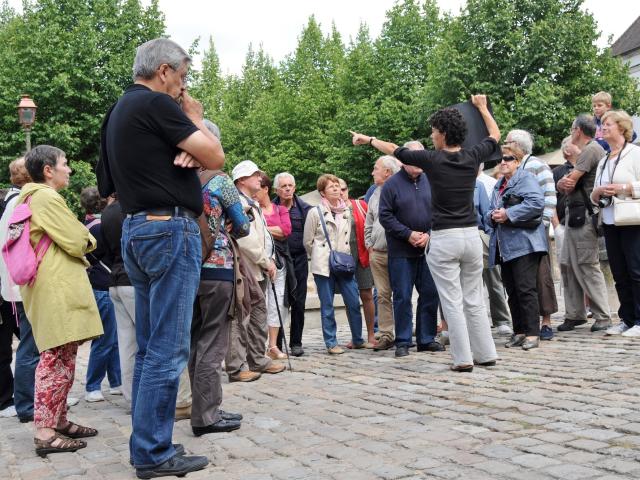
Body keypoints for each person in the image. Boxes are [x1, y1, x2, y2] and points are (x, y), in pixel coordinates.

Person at [98, 38, 225, 477]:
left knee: (152, 348)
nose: (183, 88)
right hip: (170, 229)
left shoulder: (116, 113)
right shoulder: (158, 104)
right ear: (165, 71)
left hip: (137, 230)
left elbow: (106, 182)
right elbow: (217, 156)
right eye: (183, 78)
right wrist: (194, 121)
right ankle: (153, 452)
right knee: (167, 350)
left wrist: (178, 152)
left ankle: (148, 447)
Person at [352, 95, 500, 371]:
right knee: (474, 297)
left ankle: (463, 357)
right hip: (470, 235)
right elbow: (494, 134)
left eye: (433, 132)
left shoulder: (432, 160)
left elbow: (395, 150)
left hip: (444, 237)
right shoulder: (472, 156)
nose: (431, 136)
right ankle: (486, 353)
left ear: (443, 134)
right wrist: (481, 108)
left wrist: (368, 139)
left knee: (452, 300)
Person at [18, 145, 104, 456]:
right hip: (54, 287)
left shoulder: (33, 197)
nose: (69, 169)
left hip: (52, 285)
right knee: (55, 359)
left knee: (63, 357)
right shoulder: (45, 197)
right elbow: (78, 239)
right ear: (48, 170)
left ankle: (58, 420)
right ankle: (45, 431)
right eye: (64, 164)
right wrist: (88, 238)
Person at [190, 122, 249, 436]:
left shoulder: (179, 176)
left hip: (188, 269)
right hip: (217, 267)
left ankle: (201, 408)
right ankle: (206, 416)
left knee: (194, 341)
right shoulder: (220, 182)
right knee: (213, 341)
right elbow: (242, 226)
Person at [376, 141, 443, 358]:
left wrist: (429, 234)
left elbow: (442, 210)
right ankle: (403, 340)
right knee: (402, 296)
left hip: (428, 248)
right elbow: (385, 216)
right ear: (405, 160)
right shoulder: (391, 185)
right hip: (401, 250)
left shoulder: (432, 180)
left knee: (430, 293)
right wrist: (408, 234)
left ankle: (426, 338)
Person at [226, 160, 286, 380]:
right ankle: (237, 366)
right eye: (254, 175)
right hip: (245, 268)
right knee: (240, 317)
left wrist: (268, 257)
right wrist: (264, 260)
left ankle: (257, 359)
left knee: (258, 313)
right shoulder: (238, 204)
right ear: (242, 180)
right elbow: (246, 239)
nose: (259, 178)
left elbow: (263, 236)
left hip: (256, 267)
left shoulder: (251, 203)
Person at [488, 146, 548, 351]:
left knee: (525, 289)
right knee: (512, 290)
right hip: (504, 246)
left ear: (518, 161)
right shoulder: (498, 184)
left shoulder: (525, 178)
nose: (503, 162)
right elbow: (490, 210)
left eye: (508, 158)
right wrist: (492, 216)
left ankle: (533, 333)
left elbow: (536, 202)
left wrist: (507, 214)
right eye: (501, 159)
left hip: (525, 243)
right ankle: (520, 331)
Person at [555, 115, 611, 333]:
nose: (571, 132)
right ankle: (575, 314)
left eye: (571, 129)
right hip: (574, 215)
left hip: (585, 216)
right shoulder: (588, 151)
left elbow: (569, 183)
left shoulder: (590, 149)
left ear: (578, 130)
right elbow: (564, 184)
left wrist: (565, 182)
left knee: (587, 265)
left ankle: (602, 315)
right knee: (568, 265)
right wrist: (564, 182)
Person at [504, 129, 558, 341]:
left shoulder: (536, 165)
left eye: (507, 142)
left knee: (541, 276)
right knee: (522, 281)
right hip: (519, 231)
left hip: (535, 229)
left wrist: (542, 226)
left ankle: (545, 322)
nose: (505, 146)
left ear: (517, 144)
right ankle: (526, 325)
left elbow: (549, 196)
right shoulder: (513, 166)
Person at [590, 110, 640, 337]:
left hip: (632, 220)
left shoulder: (634, 154)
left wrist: (624, 188)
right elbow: (593, 194)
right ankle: (627, 319)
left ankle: (639, 320)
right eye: (603, 125)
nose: (603, 128)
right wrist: (598, 192)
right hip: (609, 220)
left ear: (621, 127)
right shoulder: (603, 160)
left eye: (608, 124)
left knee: (636, 271)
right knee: (619, 273)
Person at [303, 174, 364, 354]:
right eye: (331, 187)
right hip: (323, 264)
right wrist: (319, 254)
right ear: (323, 192)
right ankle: (331, 342)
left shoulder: (347, 211)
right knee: (327, 304)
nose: (336, 189)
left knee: (353, 301)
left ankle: (357, 338)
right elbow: (308, 241)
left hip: (344, 262)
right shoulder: (315, 212)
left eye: (337, 185)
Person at [0, 157, 40, 423]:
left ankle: (33, 399)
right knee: (31, 345)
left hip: (16, 284)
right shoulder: (20, 202)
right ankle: (27, 403)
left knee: (30, 344)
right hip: (23, 284)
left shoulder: (12, 202)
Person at [80, 187, 122, 403]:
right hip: (104, 285)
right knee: (105, 339)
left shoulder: (87, 224)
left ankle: (116, 381)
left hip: (98, 284)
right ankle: (93, 385)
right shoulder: (101, 226)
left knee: (112, 338)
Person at [100, 194, 136, 406]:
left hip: (115, 278)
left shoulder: (107, 212)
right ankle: (145, 397)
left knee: (126, 343)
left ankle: (131, 397)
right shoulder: (134, 204)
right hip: (133, 279)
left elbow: (102, 249)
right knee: (146, 341)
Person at [364, 155, 401, 351]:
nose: (372, 172)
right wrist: (369, 244)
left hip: (400, 252)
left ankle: (404, 333)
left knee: (402, 294)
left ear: (387, 171)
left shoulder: (401, 188)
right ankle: (386, 334)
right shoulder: (375, 193)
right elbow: (369, 221)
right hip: (377, 253)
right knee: (383, 295)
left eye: (376, 168)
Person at [254, 172, 293, 360]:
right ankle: (257, 346)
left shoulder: (280, 210)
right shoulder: (252, 208)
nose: (254, 193)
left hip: (279, 261)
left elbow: (285, 230)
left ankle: (273, 345)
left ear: (265, 189)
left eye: (257, 189)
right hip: (257, 261)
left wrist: (261, 228)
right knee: (260, 303)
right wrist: (271, 230)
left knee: (276, 300)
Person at [273, 173, 311, 357]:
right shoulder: (271, 208)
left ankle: (296, 342)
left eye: (290, 185)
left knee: (299, 301)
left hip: (300, 259)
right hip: (279, 259)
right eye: (284, 186)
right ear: (276, 190)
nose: (288, 189)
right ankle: (277, 344)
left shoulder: (304, 209)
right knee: (279, 300)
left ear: (295, 188)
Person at [339, 178, 376, 348]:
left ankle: (371, 335)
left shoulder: (360, 205)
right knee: (350, 298)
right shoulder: (331, 210)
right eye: (336, 189)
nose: (341, 192)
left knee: (367, 294)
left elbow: (371, 226)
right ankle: (356, 337)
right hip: (344, 258)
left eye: (344, 189)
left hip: (362, 255)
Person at [476, 164, 513, 336]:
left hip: (481, 235)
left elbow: (487, 211)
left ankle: (502, 320)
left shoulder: (483, 184)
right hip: (461, 236)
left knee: (493, 280)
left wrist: (489, 236)